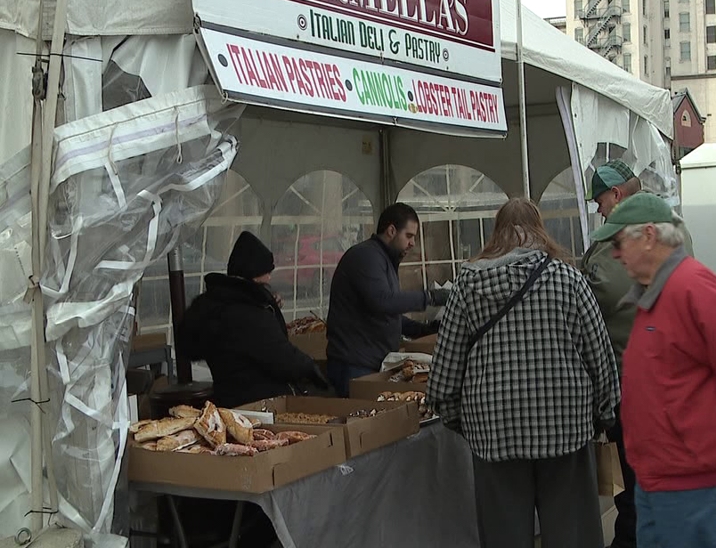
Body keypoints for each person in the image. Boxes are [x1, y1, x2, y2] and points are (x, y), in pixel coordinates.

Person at [590, 193, 716, 548]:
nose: (616, 254)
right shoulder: (657, 293)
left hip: (694, 482)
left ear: (649, 236)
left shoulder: (692, 288)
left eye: (619, 243)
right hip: (663, 478)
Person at [428, 198, 619, 548]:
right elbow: (600, 358)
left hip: (494, 434)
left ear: (496, 233)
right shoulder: (568, 279)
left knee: (504, 537)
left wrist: (468, 423)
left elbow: (442, 377)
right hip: (565, 429)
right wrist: (602, 416)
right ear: (540, 230)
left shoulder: (467, 286)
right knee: (571, 536)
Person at [581, 161, 692, 548]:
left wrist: (576, 279)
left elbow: (603, 291)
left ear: (617, 195)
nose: (598, 210)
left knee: (636, 485)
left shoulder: (635, 237)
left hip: (635, 384)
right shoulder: (668, 224)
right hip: (660, 378)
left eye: (600, 201)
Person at [181, 231, 328, 408]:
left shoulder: (213, 304)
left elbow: (189, 346)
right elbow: (281, 357)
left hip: (226, 398)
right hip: (261, 403)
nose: (270, 278)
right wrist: (310, 367)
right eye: (266, 276)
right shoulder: (248, 312)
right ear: (253, 274)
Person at [325, 203, 450, 396]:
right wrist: (431, 297)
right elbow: (382, 301)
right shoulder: (366, 256)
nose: (413, 243)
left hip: (372, 363)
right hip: (354, 366)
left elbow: (386, 314)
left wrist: (423, 330)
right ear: (391, 230)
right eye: (409, 236)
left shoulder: (383, 259)